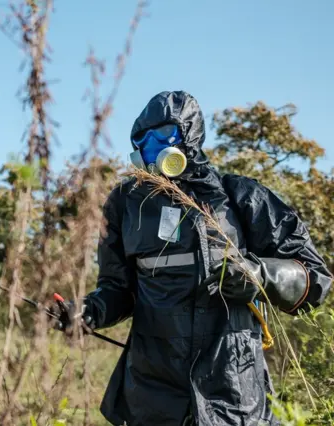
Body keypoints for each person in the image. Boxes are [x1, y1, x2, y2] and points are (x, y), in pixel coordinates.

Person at [52, 91, 333, 426]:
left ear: (190, 136)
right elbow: (118, 289)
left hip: (233, 391)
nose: (154, 147)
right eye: (144, 140)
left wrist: (261, 275)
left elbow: (315, 277)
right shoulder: (125, 205)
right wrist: (88, 311)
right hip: (152, 396)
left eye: (165, 136)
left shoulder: (241, 196)